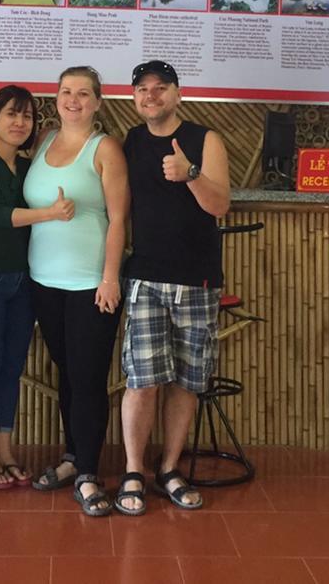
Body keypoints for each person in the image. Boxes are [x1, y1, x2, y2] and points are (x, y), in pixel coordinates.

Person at [116, 60, 231, 515]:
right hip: (144, 276)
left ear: (177, 94)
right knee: (142, 380)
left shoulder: (206, 140)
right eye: (142, 89)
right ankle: (132, 470)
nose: (151, 96)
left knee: (186, 382)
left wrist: (190, 173)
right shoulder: (131, 141)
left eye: (160, 88)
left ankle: (168, 468)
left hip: (198, 279)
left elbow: (220, 205)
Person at [24, 66, 129, 516]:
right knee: (67, 373)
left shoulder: (105, 149)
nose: (74, 100)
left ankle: (88, 473)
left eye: (83, 94)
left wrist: (110, 278)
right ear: (56, 98)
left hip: (90, 284)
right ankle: (72, 458)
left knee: (88, 379)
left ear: (98, 102)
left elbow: (120, 219)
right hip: (43, 281)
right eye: (67, 92)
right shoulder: (44, 140)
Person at [0, 85, 75, 489]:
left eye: (26, 116)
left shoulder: (31, 169)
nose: (19, 122)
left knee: (12, 366)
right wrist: (51, 214)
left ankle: (6, 447)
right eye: (11, 113)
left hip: (27, 280)